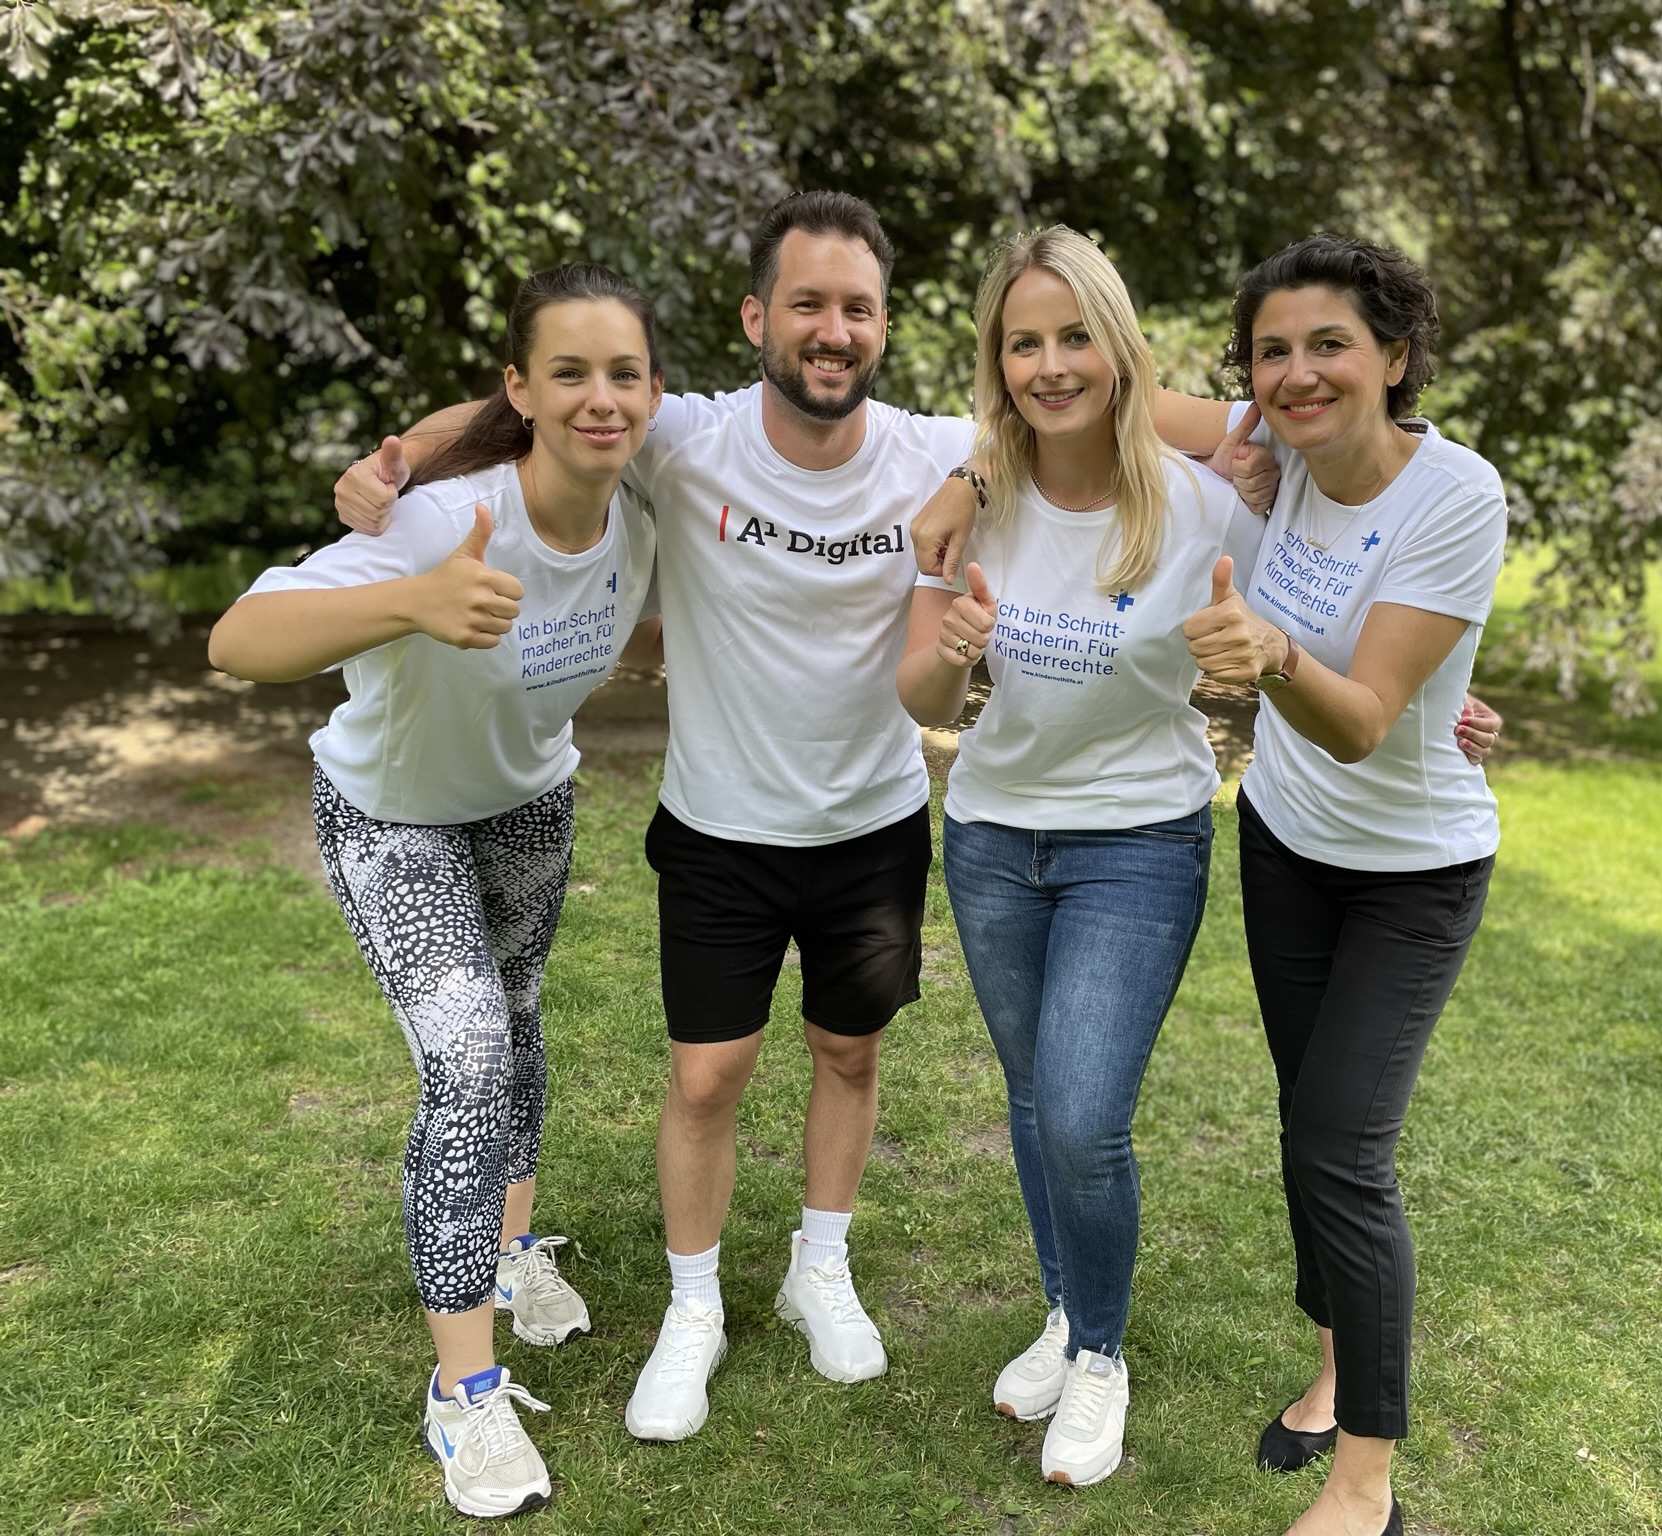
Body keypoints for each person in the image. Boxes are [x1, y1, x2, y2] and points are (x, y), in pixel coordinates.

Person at [328, 192, 1271, 1444]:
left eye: (857, 308)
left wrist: (1019, 461)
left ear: (883, 324)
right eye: (808, 305)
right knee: (705, 1077)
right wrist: (396, 457)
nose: (833, 330)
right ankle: (693, 1307)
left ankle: (818, 1267)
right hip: (716, 826)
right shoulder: (682, 436)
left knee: (849, 1055)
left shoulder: (938, 448)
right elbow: (532, 404)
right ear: (754, 317)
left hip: (871, 823)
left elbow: (1138, 407)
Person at [209, 263, 665, 1519]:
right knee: (465, 1060)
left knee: (515, 1019)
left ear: (653, 393)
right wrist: (408, 598)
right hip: (392, 815)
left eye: (621, 373)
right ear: (516, 388)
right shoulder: (439, 520)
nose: (599, 398)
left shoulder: (644, 501)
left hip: (528, 802)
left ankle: (511, 1250)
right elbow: (237, 640)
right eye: (565, 373)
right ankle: (463, 1391)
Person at [895, 227, 1263, 1486]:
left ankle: (1099, 1356)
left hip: (1138, 841)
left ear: (1117, 349)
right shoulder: (973, 499)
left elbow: (1302, 606)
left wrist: (1433, 700)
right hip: (994, 835)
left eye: (1073, 337)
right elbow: (915, 692)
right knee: (1032, 1097)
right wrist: (954, 646)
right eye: (1023, 343)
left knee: (1085, 1112)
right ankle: (1063, 1313)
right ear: (995, 361)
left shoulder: (1201, 502)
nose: (1049, 365)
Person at [1180, 234, 1507, 1536]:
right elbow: (1102, 392)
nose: (1299, 373)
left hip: (1410, 875)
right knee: (1302, 1118)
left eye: (1330, 344)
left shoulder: (1454, 494)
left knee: (1340, 1150)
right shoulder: (1280, 447)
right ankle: (1330, 1367)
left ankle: (1365, 1485)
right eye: (1272, 352)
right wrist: (973, 466)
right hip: (1284, 840)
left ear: (1395, 355)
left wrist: (1268, 655)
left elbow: (1365, 719)